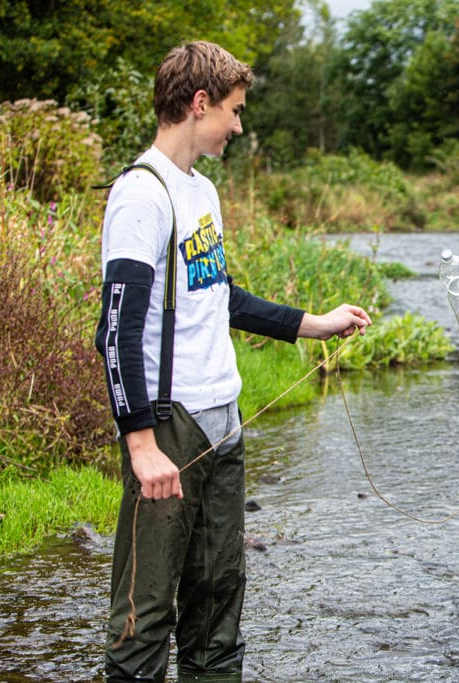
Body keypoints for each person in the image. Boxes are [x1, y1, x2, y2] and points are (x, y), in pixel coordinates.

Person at [94, 41, 372, 682]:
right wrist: (140, 445)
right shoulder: (142, 196)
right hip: (169, 427)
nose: (239, 126)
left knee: (219, 607)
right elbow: (115, 328)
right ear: (199, 103)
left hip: (225, 421)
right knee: (143, 618)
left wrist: (313, 325)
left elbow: (218, 296)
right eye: (235, 111)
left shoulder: (204, 192)